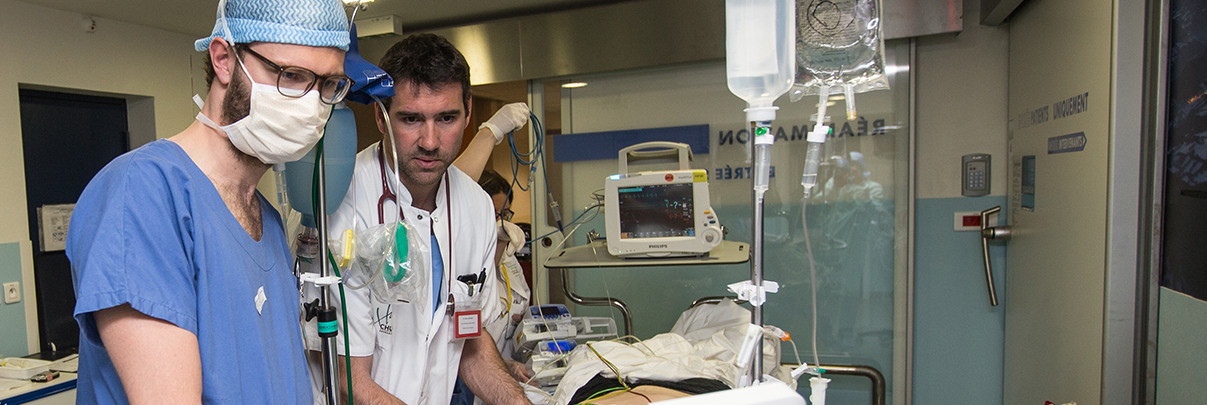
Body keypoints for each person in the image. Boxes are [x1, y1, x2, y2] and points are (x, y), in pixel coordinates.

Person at [65, 0, 350, 403]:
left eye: (327, 84)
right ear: (224, 60)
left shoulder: (268, 220)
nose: (310, 103)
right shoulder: (144, 194)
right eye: (292, 75)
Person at [324, 33, 532, 405]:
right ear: (381, 116)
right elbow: (347, 379)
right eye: (411, 119)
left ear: (468, 111)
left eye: (447, 118)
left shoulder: (476, 207)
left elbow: (469, 341)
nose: (431, 141)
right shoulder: (343, 202)